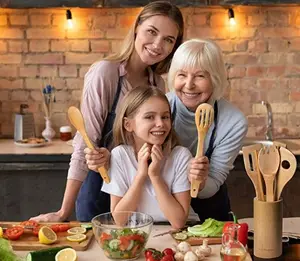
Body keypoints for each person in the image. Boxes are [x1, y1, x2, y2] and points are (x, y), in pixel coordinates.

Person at [30, 1, 184, 222]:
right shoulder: (106, 73)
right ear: (136, 28)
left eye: (168, 40)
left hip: (138, 194)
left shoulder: (157, 84)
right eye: (152, 32)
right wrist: (63, 212)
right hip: (100, 190)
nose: (158, 45)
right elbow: (85, 144)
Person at [167, 38, 248, 221]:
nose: (189, 85)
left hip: (209, 213)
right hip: (162, 210)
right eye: (182, 75)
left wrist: (201, 181)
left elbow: (215, 180)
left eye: (200, 76)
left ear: (215, 78)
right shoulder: (159, 108)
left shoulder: (233, 122)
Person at [102, 86, 198, 229]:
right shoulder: (120, 155)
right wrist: (141, 175)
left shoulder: (180, 156)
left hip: (180, 233)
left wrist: (155, 176)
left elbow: (178, 222)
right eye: (149, 117)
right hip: (138, 232)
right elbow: (120, 220)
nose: (160, 123)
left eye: (165, 117)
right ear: (128, 124)